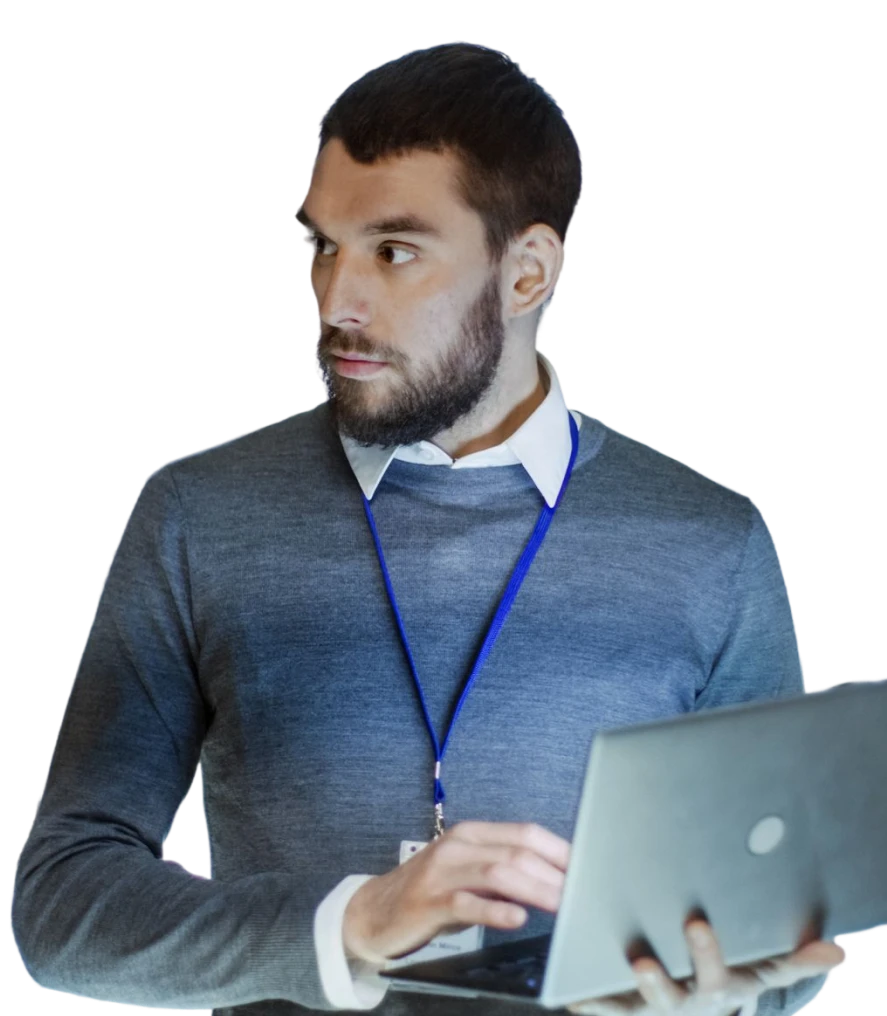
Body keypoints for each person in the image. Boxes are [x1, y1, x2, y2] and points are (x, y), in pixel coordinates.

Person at [9, 41, 842, 1016]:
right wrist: (348, 926)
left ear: (528, 274)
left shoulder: (714, 540)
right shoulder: (197, 513)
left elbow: (787, 931)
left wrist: (729, 995)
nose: (336, 302)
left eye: (393, 252)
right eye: (322, 247)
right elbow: (62, 909)